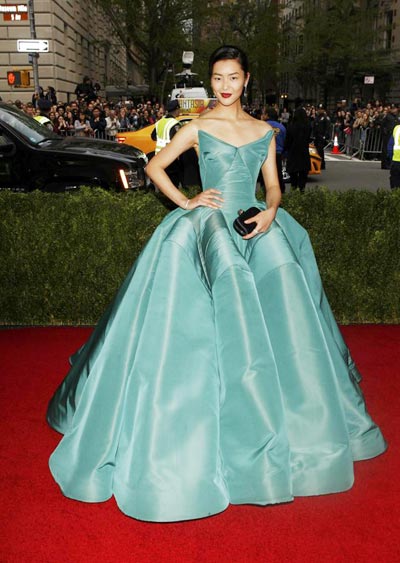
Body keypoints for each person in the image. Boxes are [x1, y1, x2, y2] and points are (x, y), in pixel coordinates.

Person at [47, 45, 386, 523]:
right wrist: (187, 203)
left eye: (233, 77)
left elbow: (273, 185)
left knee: (286, 318)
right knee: (195, 329)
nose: (225, 86)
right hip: (208, 228)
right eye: (218, 78)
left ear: (246, 79)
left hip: (255, 224)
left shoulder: (264, 132)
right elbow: (154, 166)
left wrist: (270, 211)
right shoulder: (198, 126)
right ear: (212, 81)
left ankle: (288, 429)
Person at [151, 99, 182, 186]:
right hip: (170, 157)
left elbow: (153, 137)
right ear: (176, 109)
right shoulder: (175, 123)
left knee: (163, 183)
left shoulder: (159, 122)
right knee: (172, 183)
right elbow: (178, 140)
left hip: (158, 156)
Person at [284, 107, 311, 192]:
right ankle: (302, 191)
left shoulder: (291, 126)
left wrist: (286, 149)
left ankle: (294, 190)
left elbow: (287, 141)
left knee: (293, 176)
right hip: (304, 152)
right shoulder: (308, 126)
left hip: (293, 152)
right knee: (303, 175)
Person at [264, 107, 286, 192]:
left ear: (267, 115)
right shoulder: (281, 127)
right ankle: (280, 191)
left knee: (265, 175)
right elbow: (284, 140)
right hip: (277, 153)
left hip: (265, 153)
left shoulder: (262, 125)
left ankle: (266, 191)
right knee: (278, 173)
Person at [313, 103, 330, 169]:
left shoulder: (325, 118)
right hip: (317, 136)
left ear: (323, 110)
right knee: (317, 150)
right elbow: (315, 126)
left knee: (320, 150)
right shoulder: (317, 117)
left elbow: (327, 128)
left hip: (321, 136)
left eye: (321, 109)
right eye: (319, 109)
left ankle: (322, 164)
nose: (319, 110)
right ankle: (318, 163)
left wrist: (325, 136)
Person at [388, 122, 400, 189]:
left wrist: (391, 158)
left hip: (396, 160)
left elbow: (390, 145)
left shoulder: (397, 128)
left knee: (395, 185)